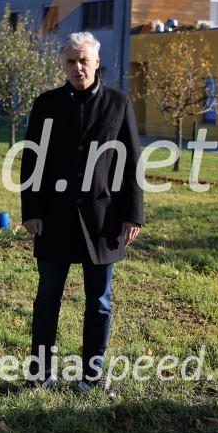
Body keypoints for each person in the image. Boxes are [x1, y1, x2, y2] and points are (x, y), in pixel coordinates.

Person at [20, 32, 143, 396]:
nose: (77, 67)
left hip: (102, 220)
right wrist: (31, 210)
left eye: (83, 60)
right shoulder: (46, 104)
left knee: (99, 303)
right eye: (70, 61)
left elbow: (132, 162)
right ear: (63, 65)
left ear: (96, 62)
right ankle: (40, 373)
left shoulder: (119, 104)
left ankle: (92, 376)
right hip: (54, 218)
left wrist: (132, 214)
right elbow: (31, 160)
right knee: (46, 300)